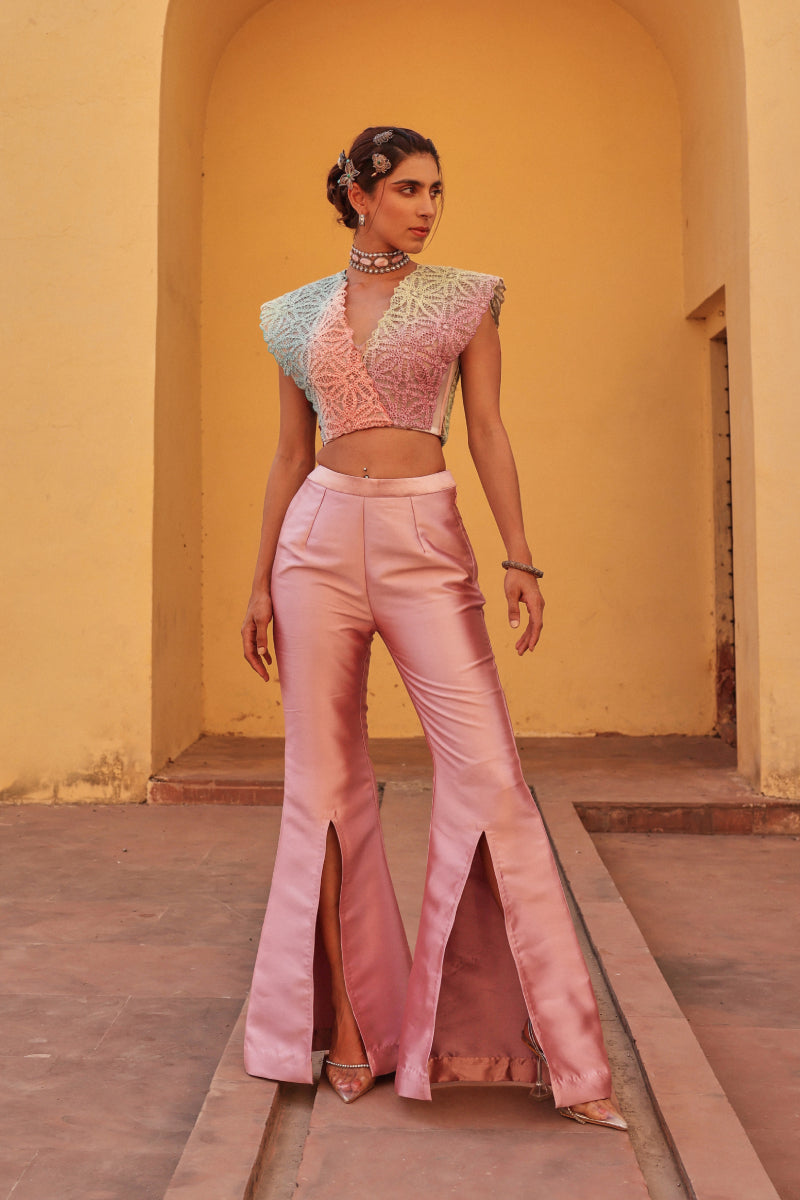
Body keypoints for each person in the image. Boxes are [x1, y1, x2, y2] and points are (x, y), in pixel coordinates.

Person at [241, 126, 626, 1131]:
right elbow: (288, 456)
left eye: (436, 191)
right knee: (321, 787)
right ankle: (352, 1032)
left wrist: (519, 554)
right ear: (358, 195)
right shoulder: (291, 315)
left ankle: (559, 1057)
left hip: (424, 534)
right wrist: (257, 582)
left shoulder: (467, 296)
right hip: (315, 543)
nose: (426, 208)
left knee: (490, 777)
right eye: (408, 189)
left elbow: (487, 427)